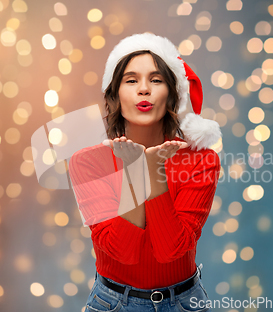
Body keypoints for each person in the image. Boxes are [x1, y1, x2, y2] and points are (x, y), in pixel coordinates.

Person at [69, 33, 222, 312]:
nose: (144, 89)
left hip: (185, 303)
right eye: (131, 80)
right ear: (114, 94)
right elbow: (122, 252)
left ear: (172, 93)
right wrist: (133, 171)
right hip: (113, 303)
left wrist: (152, 173)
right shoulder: (88, 163)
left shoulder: (202, 161)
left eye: (156, 79)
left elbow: (171, 250)